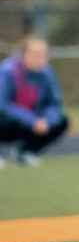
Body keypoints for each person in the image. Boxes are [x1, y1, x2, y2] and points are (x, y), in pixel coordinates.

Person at [0, 37, 70, 167]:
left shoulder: (47, 73)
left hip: (31, 124)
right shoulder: (7, 71)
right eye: (36, 54)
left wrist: (47, 121)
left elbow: (55, 104)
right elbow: (2, 104)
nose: (41, 58)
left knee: (62, 121)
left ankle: (25, 152)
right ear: (23, 55)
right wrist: (31, 120)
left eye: (44, 55)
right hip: (7, 123)